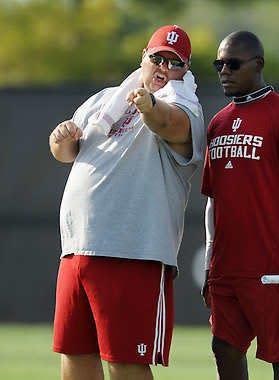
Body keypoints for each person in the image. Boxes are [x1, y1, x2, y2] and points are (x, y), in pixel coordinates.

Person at [49, 24, 205, 380]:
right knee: (74, 355)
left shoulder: (185, 104)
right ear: (143, 58)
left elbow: (168, 124)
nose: (164, 67)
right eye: (158, 58)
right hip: (78, 248)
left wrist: (150, 106)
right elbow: (67, 151)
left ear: (186, 70)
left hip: (133, 251)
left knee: (125, 362)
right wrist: (61, 140)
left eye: (175, 63)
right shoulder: (107, 99)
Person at [200, 30, 279, 380]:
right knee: (223, 348)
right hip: (227, 266)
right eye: (219, 64)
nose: (224, 71)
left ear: (257, 64)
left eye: (233, 63)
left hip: (274, 266)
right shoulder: (219, 122)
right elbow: (214, 198)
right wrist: (211, 258)